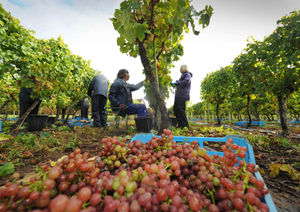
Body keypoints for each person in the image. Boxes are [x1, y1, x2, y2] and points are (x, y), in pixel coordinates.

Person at [172, 64, 192, 129]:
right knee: (176, 109)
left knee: (181, 110)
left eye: (180, 68)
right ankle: (180, 124)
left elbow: (186, 81)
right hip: (179, 95)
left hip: (182, 95)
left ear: (183, 68)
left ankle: (185, 125)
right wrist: (177, 82)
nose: (179, 70)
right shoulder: (183, 75)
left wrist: (178, 83)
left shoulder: (187, 74)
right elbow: (182, 83)